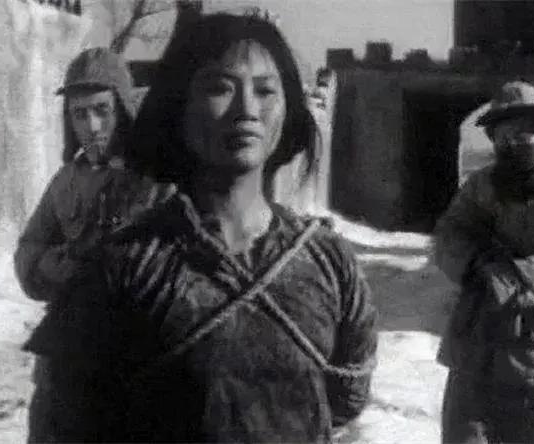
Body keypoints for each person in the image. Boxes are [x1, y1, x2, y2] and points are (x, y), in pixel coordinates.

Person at [40, 13, 379, 442]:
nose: (247, 110)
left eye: (265, 90)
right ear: (178, 104)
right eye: (220, 87)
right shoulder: (125, 267)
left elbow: (346, 398)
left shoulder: (329, 263)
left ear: (288, 108)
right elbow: (66, 420)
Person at [14, 47, 173, 443]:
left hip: (137, 363)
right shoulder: (66, 181)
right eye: (79, 114)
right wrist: (58, 265)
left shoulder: (157, 181)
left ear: (124, 109)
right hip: (66, 361)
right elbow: (28, 250)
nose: (92, 126)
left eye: (102, 110)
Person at [434, 81, 534, 444]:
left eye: (524, 130)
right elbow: (448, 235)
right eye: (503, 133)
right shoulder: (481, 183)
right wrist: (474, 263)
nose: (513, 141)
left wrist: (509, 277)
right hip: (474, 347)